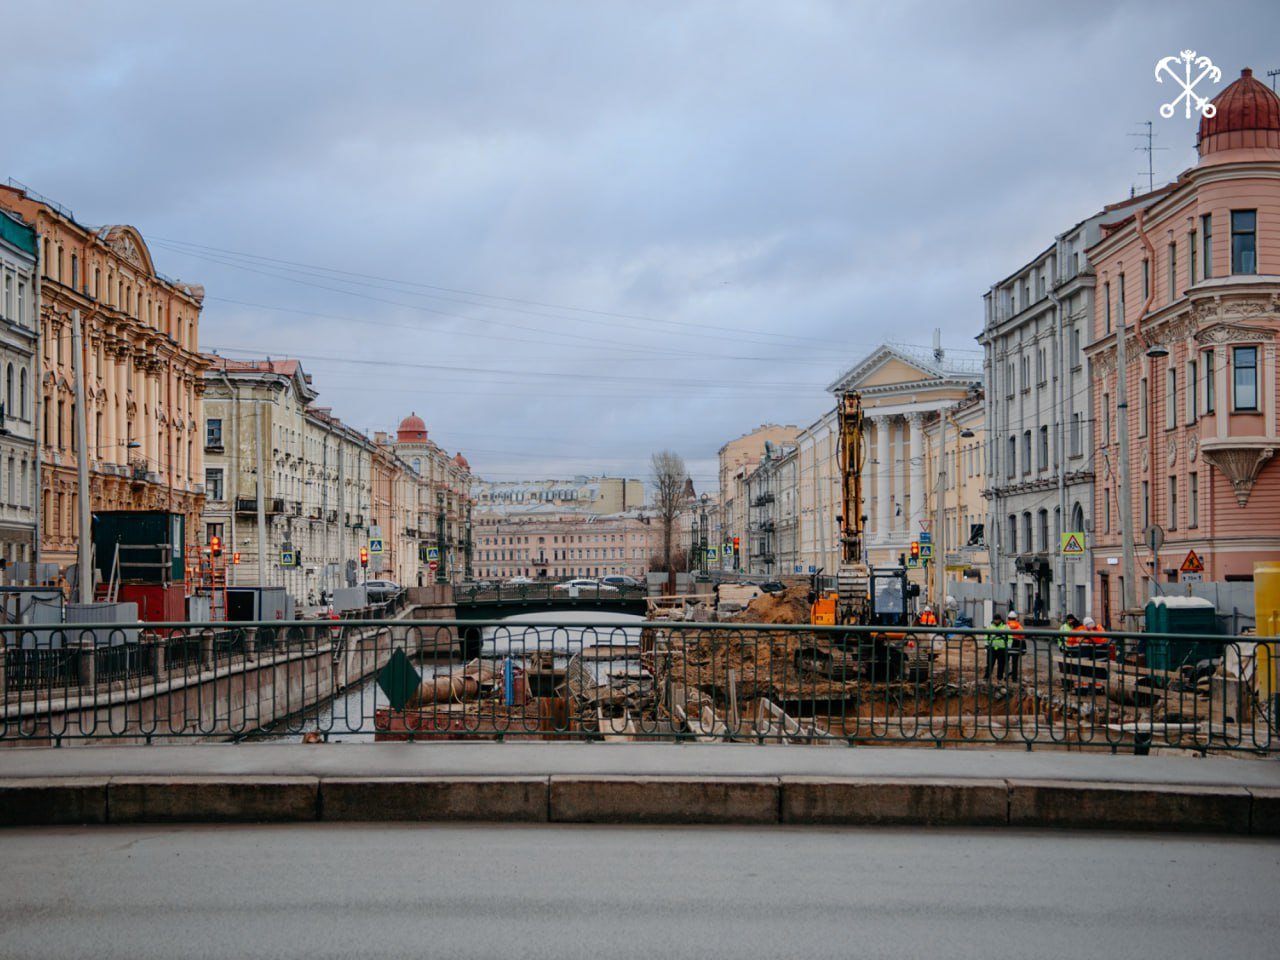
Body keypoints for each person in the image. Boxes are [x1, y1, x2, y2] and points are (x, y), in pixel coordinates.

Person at [983, 611, 1010, 681]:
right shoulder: (990, 626)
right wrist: (986, 645)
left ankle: (999, 678)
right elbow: (986, 636)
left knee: (1001, 664)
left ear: (1000, 620)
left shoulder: (1005, 626)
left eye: (998, 620)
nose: (996, 621)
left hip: (1002, 648)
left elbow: (1010, 637)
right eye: (995, 620)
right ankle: (987, 677)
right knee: (990, 664)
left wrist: (1008, 646)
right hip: (992, 648)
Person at [1005, 609, 1027, 679]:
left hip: (1007, 646)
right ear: (1016, 618)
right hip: (1016, 647)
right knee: (1015, 663)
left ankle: (1006, 675)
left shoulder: (1005, 627)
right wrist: (1024, 649)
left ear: (1008, 618)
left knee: (1006, 661)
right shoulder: (1019, 627)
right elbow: (1023, 637)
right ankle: (1014, 678)